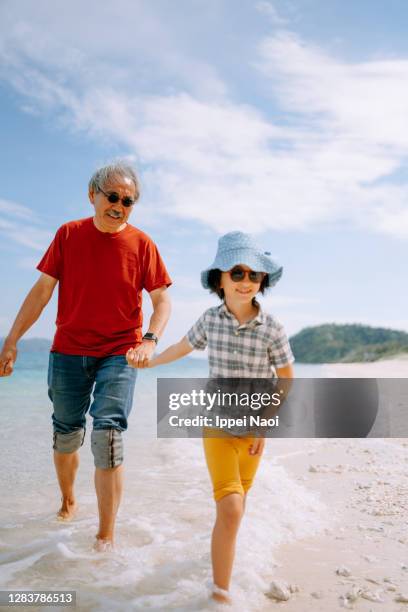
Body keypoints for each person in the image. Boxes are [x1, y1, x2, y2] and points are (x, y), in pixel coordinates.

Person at [0, 161, 172, 551]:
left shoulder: (143, 244)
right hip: (68, 350)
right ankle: (67, 500)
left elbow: (162, 300)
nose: (119, 205)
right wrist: (11, 340)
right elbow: (42, 291)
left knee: (108, 435)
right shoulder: (68, 234)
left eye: (128, 201)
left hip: (120, 350)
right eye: (112, 197)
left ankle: (105, 536)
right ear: (92, 194)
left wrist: (149, 340)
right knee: (66, 435)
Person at [127, 231, 294, 604]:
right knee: (232, 505)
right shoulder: (209, 321)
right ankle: (220, 594)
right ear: (220, 279)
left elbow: (285, 380)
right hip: (217, 425)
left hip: (252, 431)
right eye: (237, 273)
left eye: (254, 275)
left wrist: (265, 425)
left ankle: (222, 555)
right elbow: (180, 348)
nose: (246, 281)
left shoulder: (273, 329)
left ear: (262, 281)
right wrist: (149, 360)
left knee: (236, 506)